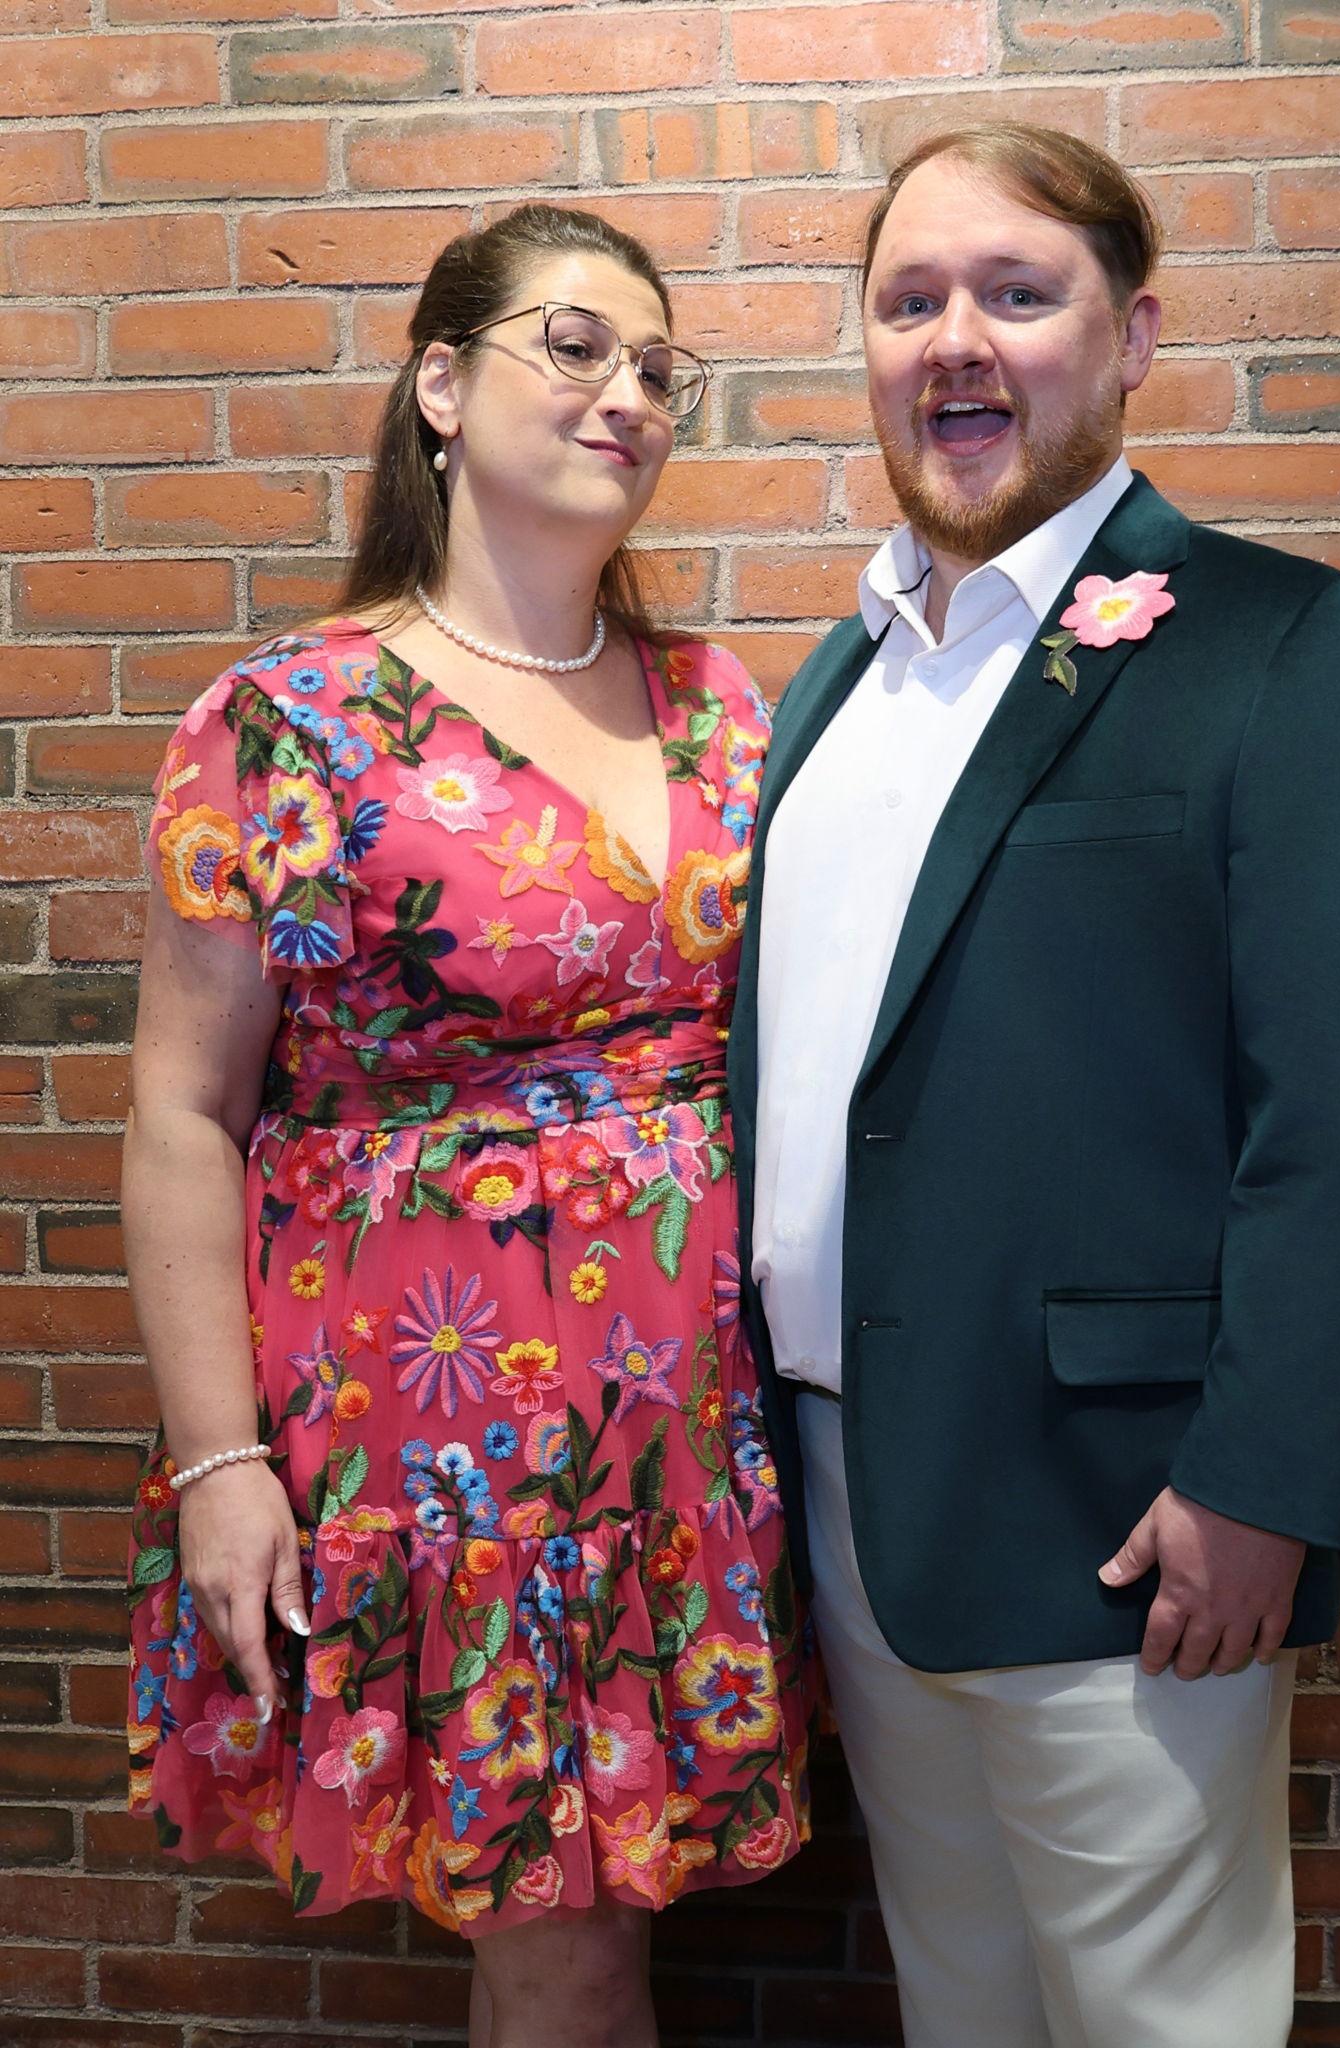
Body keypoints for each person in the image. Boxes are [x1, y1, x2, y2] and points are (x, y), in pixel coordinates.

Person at [730, 124, 1340, 2047]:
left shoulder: (1280, 647)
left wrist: (1263, 1478)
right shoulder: (831, 687)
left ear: (1130, 337)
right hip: (854, 1504)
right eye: (909, 300)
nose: (954, 341)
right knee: (962, 2005)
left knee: (1162, 2022)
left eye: (1015, 293)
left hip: (1131, 1523)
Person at [122, 203, 811, 2048]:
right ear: (439, 384)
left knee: (581, 1928)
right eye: (575, 346)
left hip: (683, 1434)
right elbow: (182, 1111)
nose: (626, 393)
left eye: (659, 368)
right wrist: (220, 1462)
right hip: (438, 1439)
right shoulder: (290, 723)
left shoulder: (721, 707)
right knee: (559, 1937)